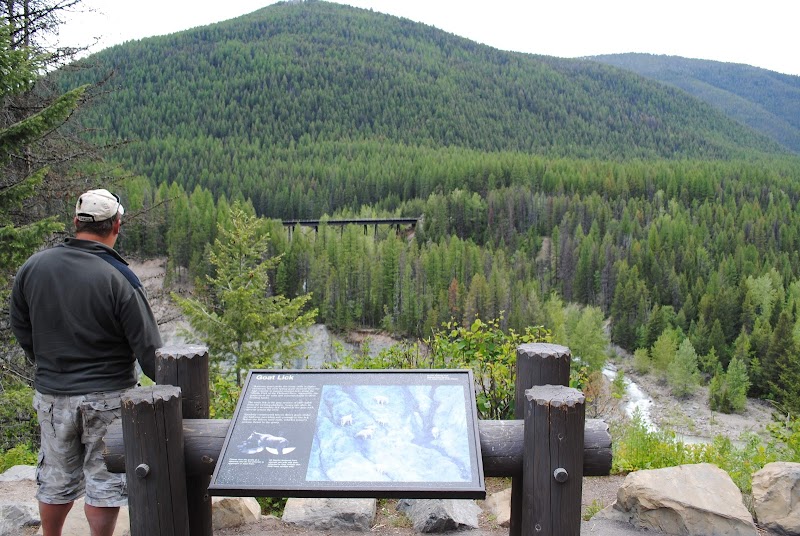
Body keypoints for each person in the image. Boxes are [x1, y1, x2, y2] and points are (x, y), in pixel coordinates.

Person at [9, 188, 162, 536]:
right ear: (116, 226)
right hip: (108, 397)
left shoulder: (34, 267)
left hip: (52, 395)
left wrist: (43, 360)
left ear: (76, 222)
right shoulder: (120, 278)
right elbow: (149, 349)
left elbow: (19, 323)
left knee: (55, 479)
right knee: (105, 482)